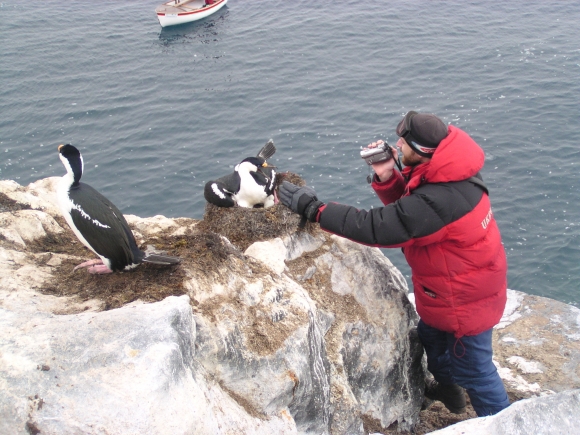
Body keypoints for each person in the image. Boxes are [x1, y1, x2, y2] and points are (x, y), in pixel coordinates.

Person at [279, 111, 511, 417]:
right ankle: (450, 393)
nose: (397, 144)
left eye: (404, 141)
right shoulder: (450, 172)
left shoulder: (442, 198)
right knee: (431, 339)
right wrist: (389, 176)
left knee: (475, 371)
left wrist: (315, 209)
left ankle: (507, 423)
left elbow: (379, 227)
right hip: (452, 290)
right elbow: (417, 212)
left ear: (424, 150)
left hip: (465, 304)